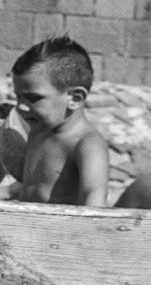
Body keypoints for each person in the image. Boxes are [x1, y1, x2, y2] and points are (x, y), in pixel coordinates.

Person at [10, 35, 109, 206]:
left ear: (75, 98)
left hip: (61, 230)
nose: (21, 107)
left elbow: (94, 199)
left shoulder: (86, 144)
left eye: (33, 98)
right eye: (18, 97)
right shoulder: (38, 131)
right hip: (26, 227)